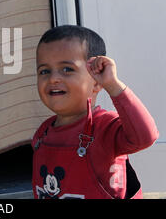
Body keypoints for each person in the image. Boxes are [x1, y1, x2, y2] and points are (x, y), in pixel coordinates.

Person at [32, 25, 158, 199]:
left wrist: (113, 85)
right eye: (44, 71)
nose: (53, 78)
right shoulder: (42, 133)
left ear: (97, 82)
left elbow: (145, 137)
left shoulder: (105, 127)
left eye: (67, 69)